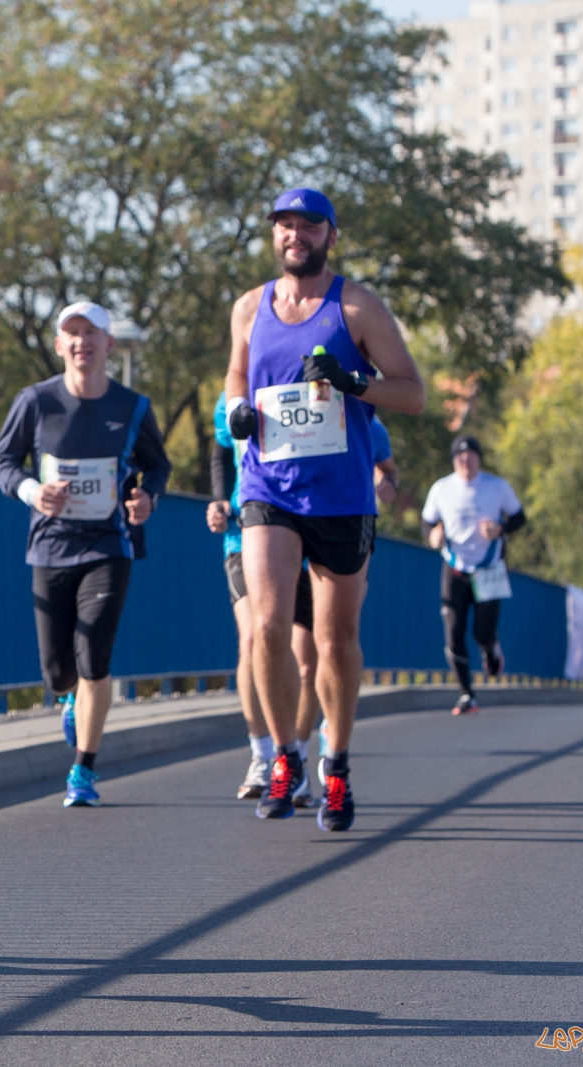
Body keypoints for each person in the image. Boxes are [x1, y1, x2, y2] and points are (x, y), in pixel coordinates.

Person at [224, 187, 426, 831]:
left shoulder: (357, 306)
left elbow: (413, 393)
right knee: (266, 626)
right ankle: (286, 755)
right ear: (274, 235)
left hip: (340, 495)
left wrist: (352, 382)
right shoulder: (250, 307)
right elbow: (236, 376)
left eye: (309, 225)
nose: (295, 235)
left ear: (330, 236)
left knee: (335, 641)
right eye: (285, 225)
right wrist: (237, 411)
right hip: (269, 486)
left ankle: (335, 765)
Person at [0, 301, 171, 808]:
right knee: (57, 671)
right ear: (59, 345)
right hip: (50, 546)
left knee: (94, 654)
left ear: (108, 344)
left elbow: (158, 465)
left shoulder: (132, 407)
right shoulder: (36, 401)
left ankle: (83, 770)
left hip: (109, 544)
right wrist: (32, 492)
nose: (81, 342)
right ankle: (70, 697)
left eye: (91, 333)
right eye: (71, 333)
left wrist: (148, 497)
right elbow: (2, 460)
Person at [211, 399, 398, 801]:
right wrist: (218, 499)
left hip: (325, 532)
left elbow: (388, 467)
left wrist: (385, 484)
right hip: (254, 529)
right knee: (256, 637)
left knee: (313, 656)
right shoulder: (240, 391)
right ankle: (266, 755)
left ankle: (301, 754)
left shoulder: (350, 405)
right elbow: (222, 446)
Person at [421, 434, 526, 715]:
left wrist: (500, 529)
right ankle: (466, 694)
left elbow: (519, 518)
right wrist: (432, 535)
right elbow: (426, 522)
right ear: (453, 460)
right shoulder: (441, 489)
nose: (465, 460)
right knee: (453, 631)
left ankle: (491, 649)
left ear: (479, 459)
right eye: (460, 456)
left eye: (470, 455)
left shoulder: (497, 486)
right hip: (455, 567)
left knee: (483, 631)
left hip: (489, 567)